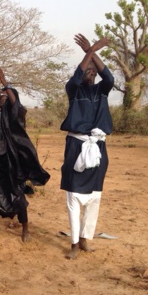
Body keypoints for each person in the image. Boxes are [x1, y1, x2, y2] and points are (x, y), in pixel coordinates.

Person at [0, 68, 50, 242]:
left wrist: (6, 84)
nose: (0, 98)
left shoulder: (14, 116)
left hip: (9, 160)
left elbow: (17, 107)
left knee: (16, 193)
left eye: (3, 96)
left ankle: (25, 228)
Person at [60, 34, 114, 260]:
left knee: (94, 196)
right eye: (87, 69)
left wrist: (94, 52)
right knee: (74, 196)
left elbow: (108, 77)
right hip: (77, 146)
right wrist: (89, 51)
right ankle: (73, 243)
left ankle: (84, 239)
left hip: (98, 147)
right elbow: (76, 76)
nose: (91, 71)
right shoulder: (74, 90)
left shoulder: (102, 91)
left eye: (94, 69)